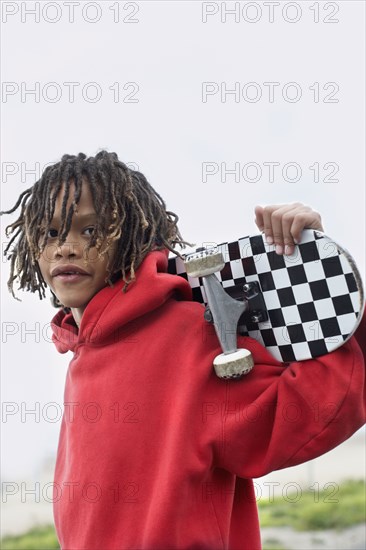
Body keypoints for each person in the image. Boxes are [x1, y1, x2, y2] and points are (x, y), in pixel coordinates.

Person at [1, 150, 365, 550]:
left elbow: (307, 411)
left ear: (132, 239)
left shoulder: (188, 334)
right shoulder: (81, 348)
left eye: (91, 231)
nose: (66, 247)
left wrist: (323, 280)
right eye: (50, 233)